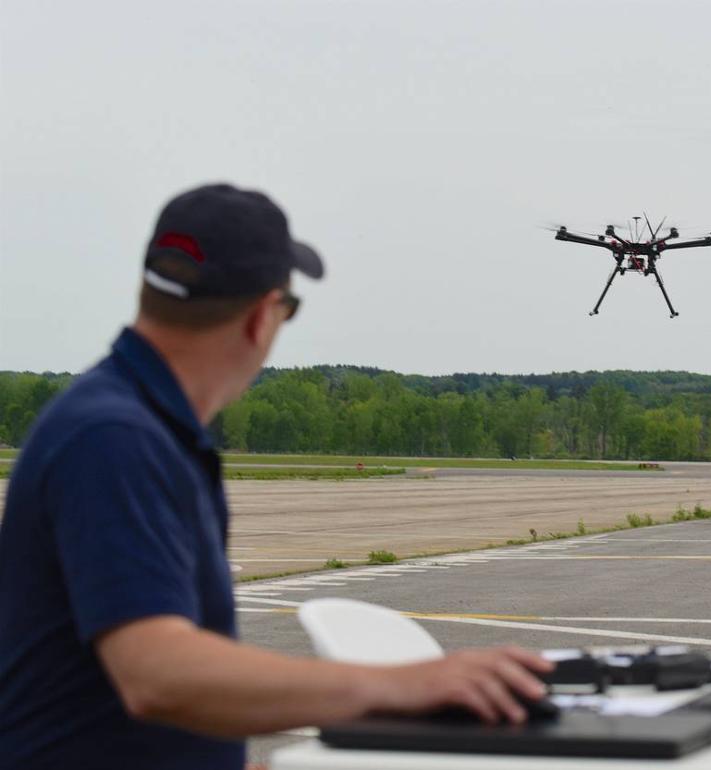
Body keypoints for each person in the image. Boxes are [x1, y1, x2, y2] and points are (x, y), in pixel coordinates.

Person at [0, 184, 552, 769]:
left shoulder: (135, 422)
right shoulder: (115, 437)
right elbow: (156, 674)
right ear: (263, 317)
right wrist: (401, 685)